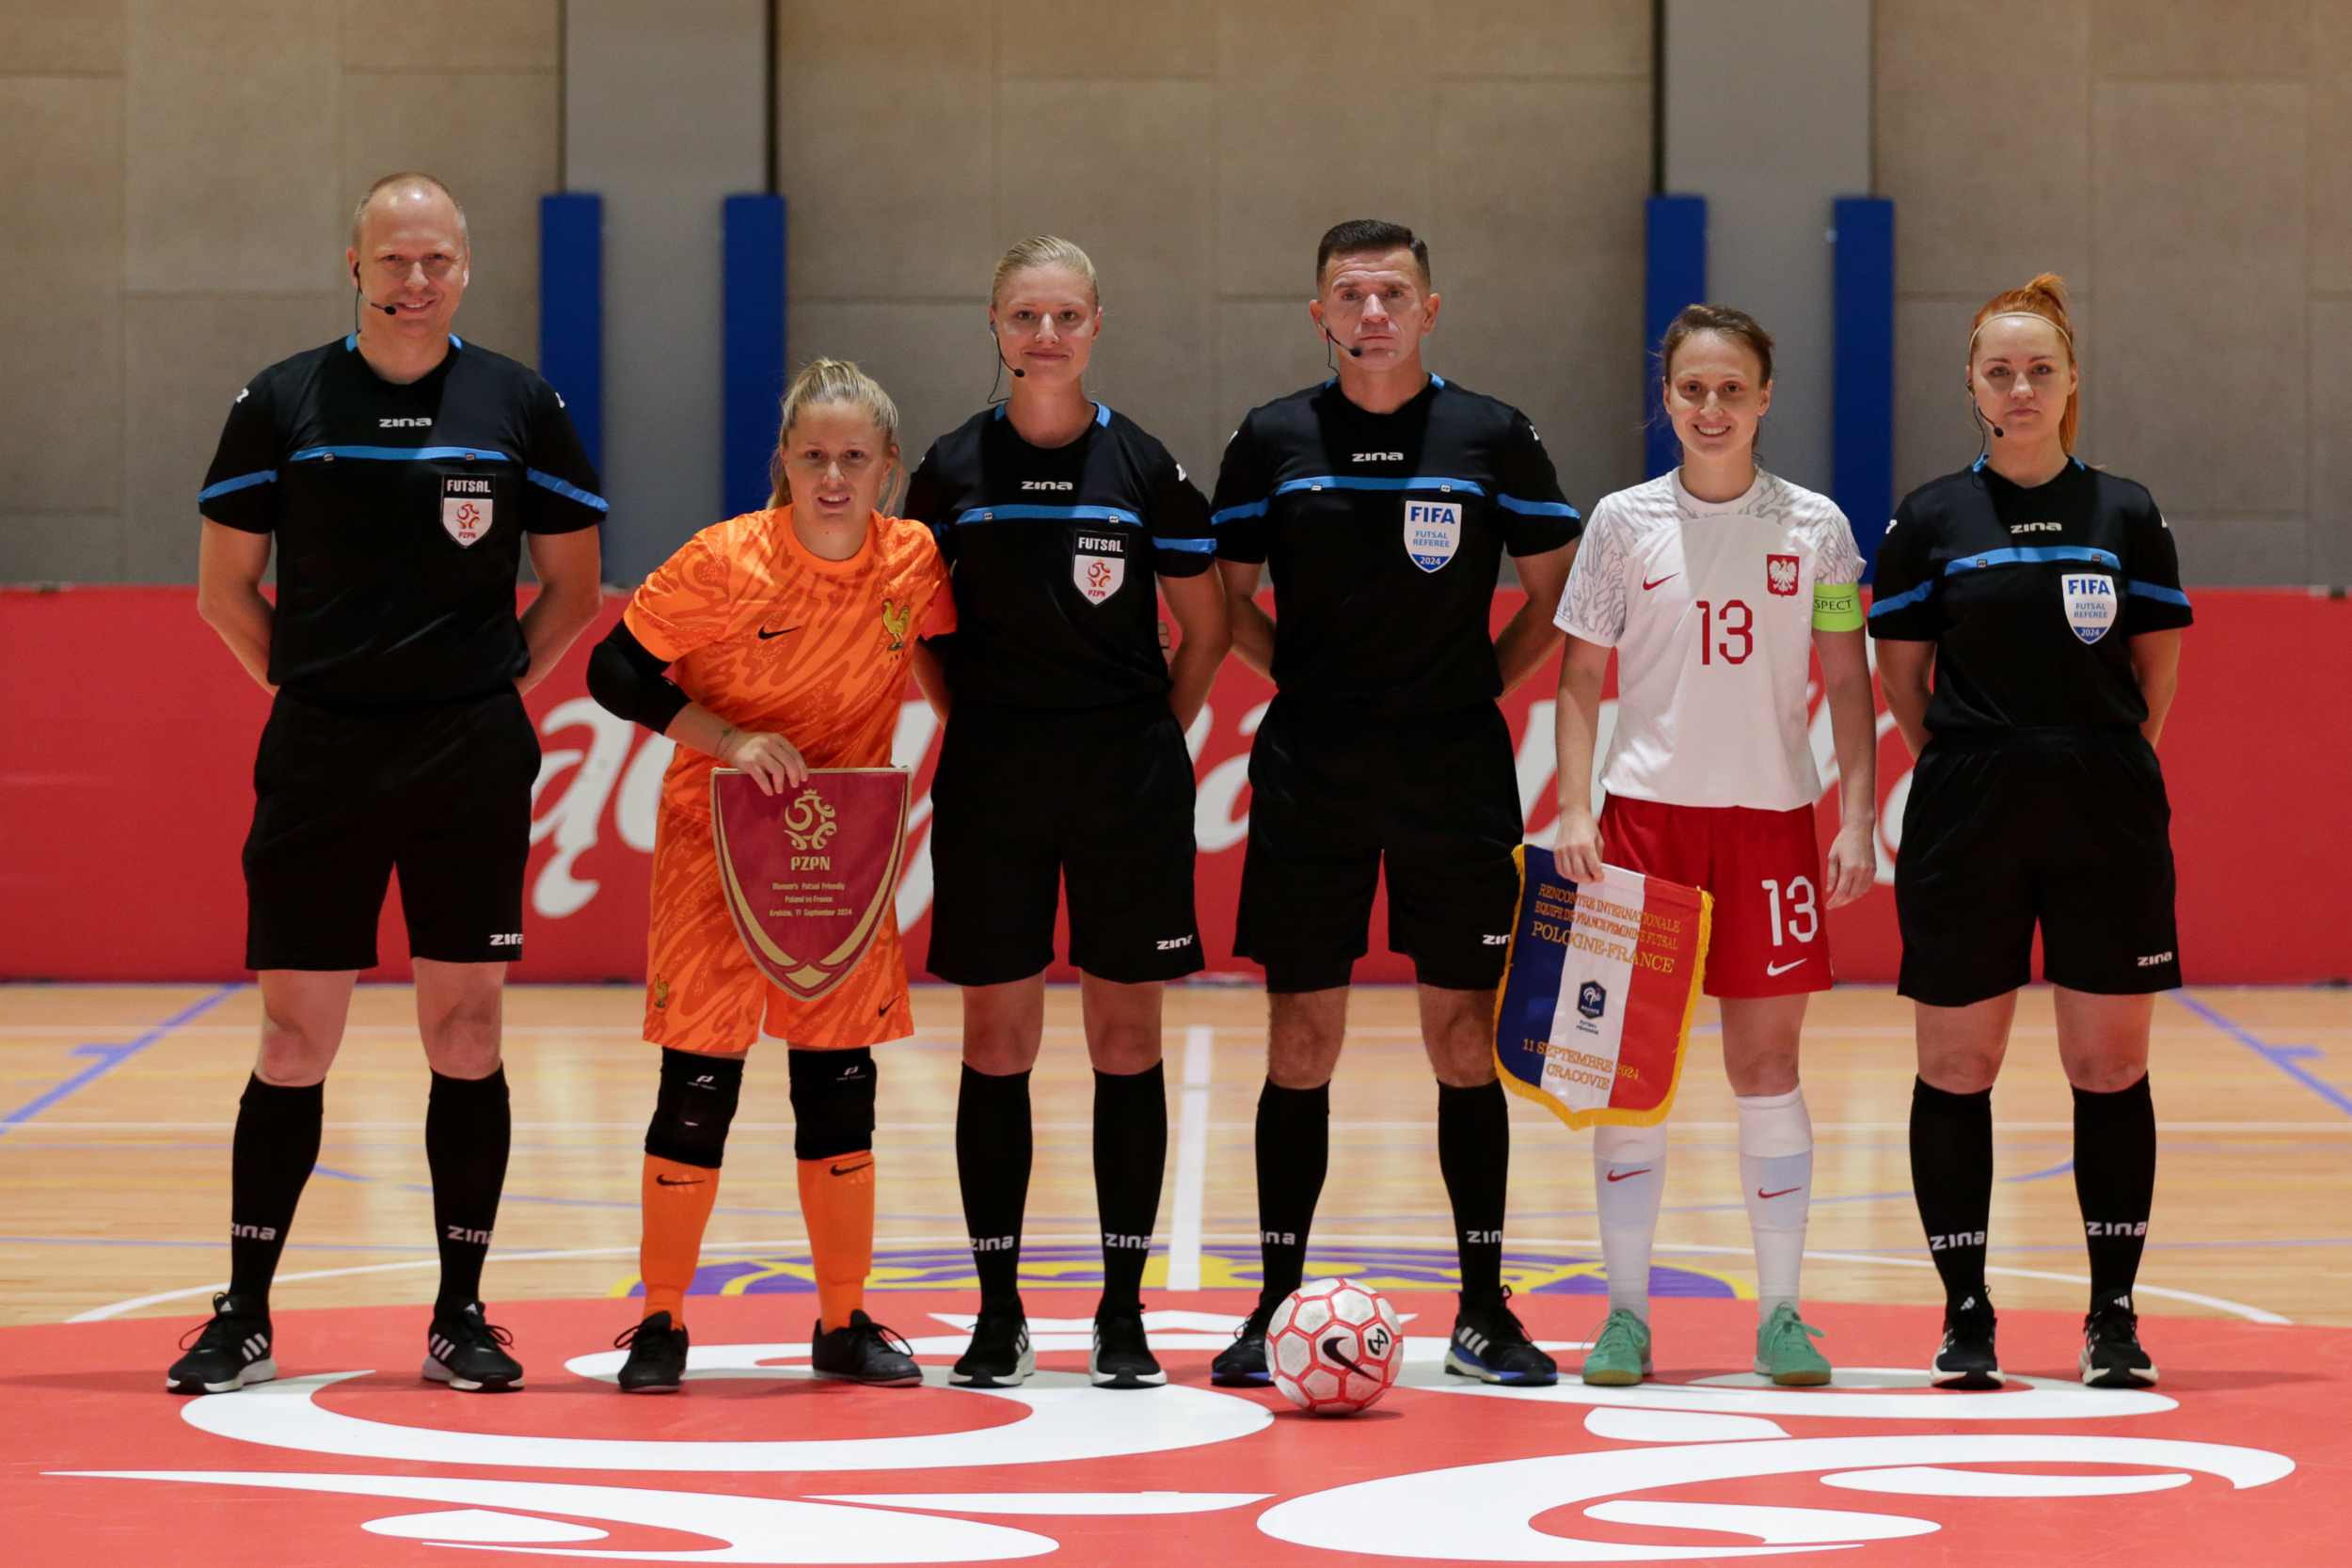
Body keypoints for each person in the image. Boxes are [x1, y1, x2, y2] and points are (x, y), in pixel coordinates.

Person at [173, 172, 606, 1396]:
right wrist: (313, 690)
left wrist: (480, 693)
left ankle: (462, 1311)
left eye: (438, 262)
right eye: (393, 261)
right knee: (295, 1032)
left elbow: (574, 588)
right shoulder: (283, 399)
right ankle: (245, 1310)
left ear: (464, 269)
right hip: (321, 750)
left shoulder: (519, 401)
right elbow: (223, 590)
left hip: (469, 752)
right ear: (353, 266)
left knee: (466, 1031)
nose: (416, 281)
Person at [1208, 219, 1581, 1387]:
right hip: (1311, 764)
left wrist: (1474, 684)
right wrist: (1308, 684)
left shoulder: (1491, 434)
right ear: (1319, 314)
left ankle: (1482, 1307)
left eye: (1392, 293)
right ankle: (1276, 1304)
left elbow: (1558, 592)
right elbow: (1223, 604)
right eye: (1349, 294)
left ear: (1430, 309)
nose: (1372, 311)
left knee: (1463, 1040)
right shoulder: (1270, 439)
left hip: (1453, 766)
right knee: (1301, 1038)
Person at [583, 359, 954, 1393]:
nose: (831, 476)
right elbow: (612, 670)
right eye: (811, 455)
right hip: (716, 851)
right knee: (697, 1085)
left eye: (852, 457)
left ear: (887, 466)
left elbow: (953, 659)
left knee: (839, 1087)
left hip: (845, 852)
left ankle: (844, 1319)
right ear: (782, 461)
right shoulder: (720, 559)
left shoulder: (915, 561)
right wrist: (729, 735)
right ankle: (658, 1320)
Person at [902, 237, 1230, 1390]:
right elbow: (921, 632)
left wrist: (1151, 732)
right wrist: (978, 721)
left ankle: (1122, 1311)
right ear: (994, 325)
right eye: (1025, 316)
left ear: (1098, 325)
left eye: (1067, 317)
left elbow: (1210, 623)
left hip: (1125, 778)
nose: (1047, 336)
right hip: (992, 774)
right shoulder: (947, 470)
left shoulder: (1144, 465)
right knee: (995, 1042)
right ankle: (998, 1311)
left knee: (1123, 1041)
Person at [1870, 274, 2188, 1391]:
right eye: (1998, 371)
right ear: (1970, 385)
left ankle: (2113, 1315)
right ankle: (1965, 1312)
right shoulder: (1927, 519)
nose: (2019, 387)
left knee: (2108, 1063)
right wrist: (1973, 761)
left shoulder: (2127, 511)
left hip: (2103, 800)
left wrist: (2087, 756)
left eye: (2038, 369)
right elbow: (1902, 681)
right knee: (1958, 1062)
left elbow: (2154, 675)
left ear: (2069, 383)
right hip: (1968, 803)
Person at [1551, 304, 1877, 1387]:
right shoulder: (1619, 521)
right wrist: (1574, 806)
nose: (1710, 407)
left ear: (1765, 397)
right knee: (1627, 1077)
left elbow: (1843, 678)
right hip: (1643, 823)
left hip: (1771, 824)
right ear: (1667, 397)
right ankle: (1626, 1315)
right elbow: (1581, 678)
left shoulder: (1819, 527)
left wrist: (1858, 817)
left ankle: (1781, 1311)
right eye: (1692, 388)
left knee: (1765, 1064)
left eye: (1731, 387)